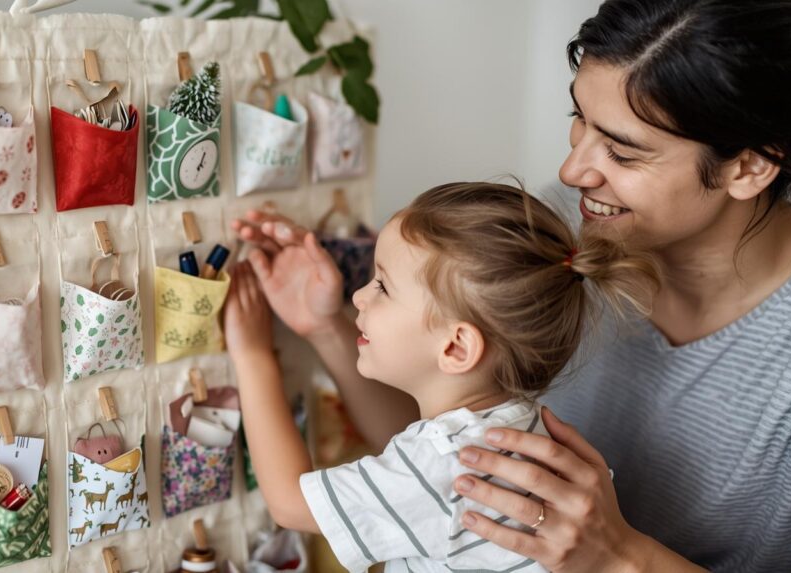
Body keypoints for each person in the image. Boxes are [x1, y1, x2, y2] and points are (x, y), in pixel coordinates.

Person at [230, 1, 791, 570]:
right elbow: (445, 458)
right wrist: (327, 327)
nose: (572, 171)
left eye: (622, 151)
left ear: (749, 167)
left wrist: (618, 556)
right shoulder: (561, 233)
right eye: (578, 121)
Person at [224, 182, 659, 572]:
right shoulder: (516, 426)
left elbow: (288, 503)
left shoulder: (444, 460)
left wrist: (253, 355)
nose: (357, 296)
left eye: (383, 287)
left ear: (455, 348)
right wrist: (322, 326)